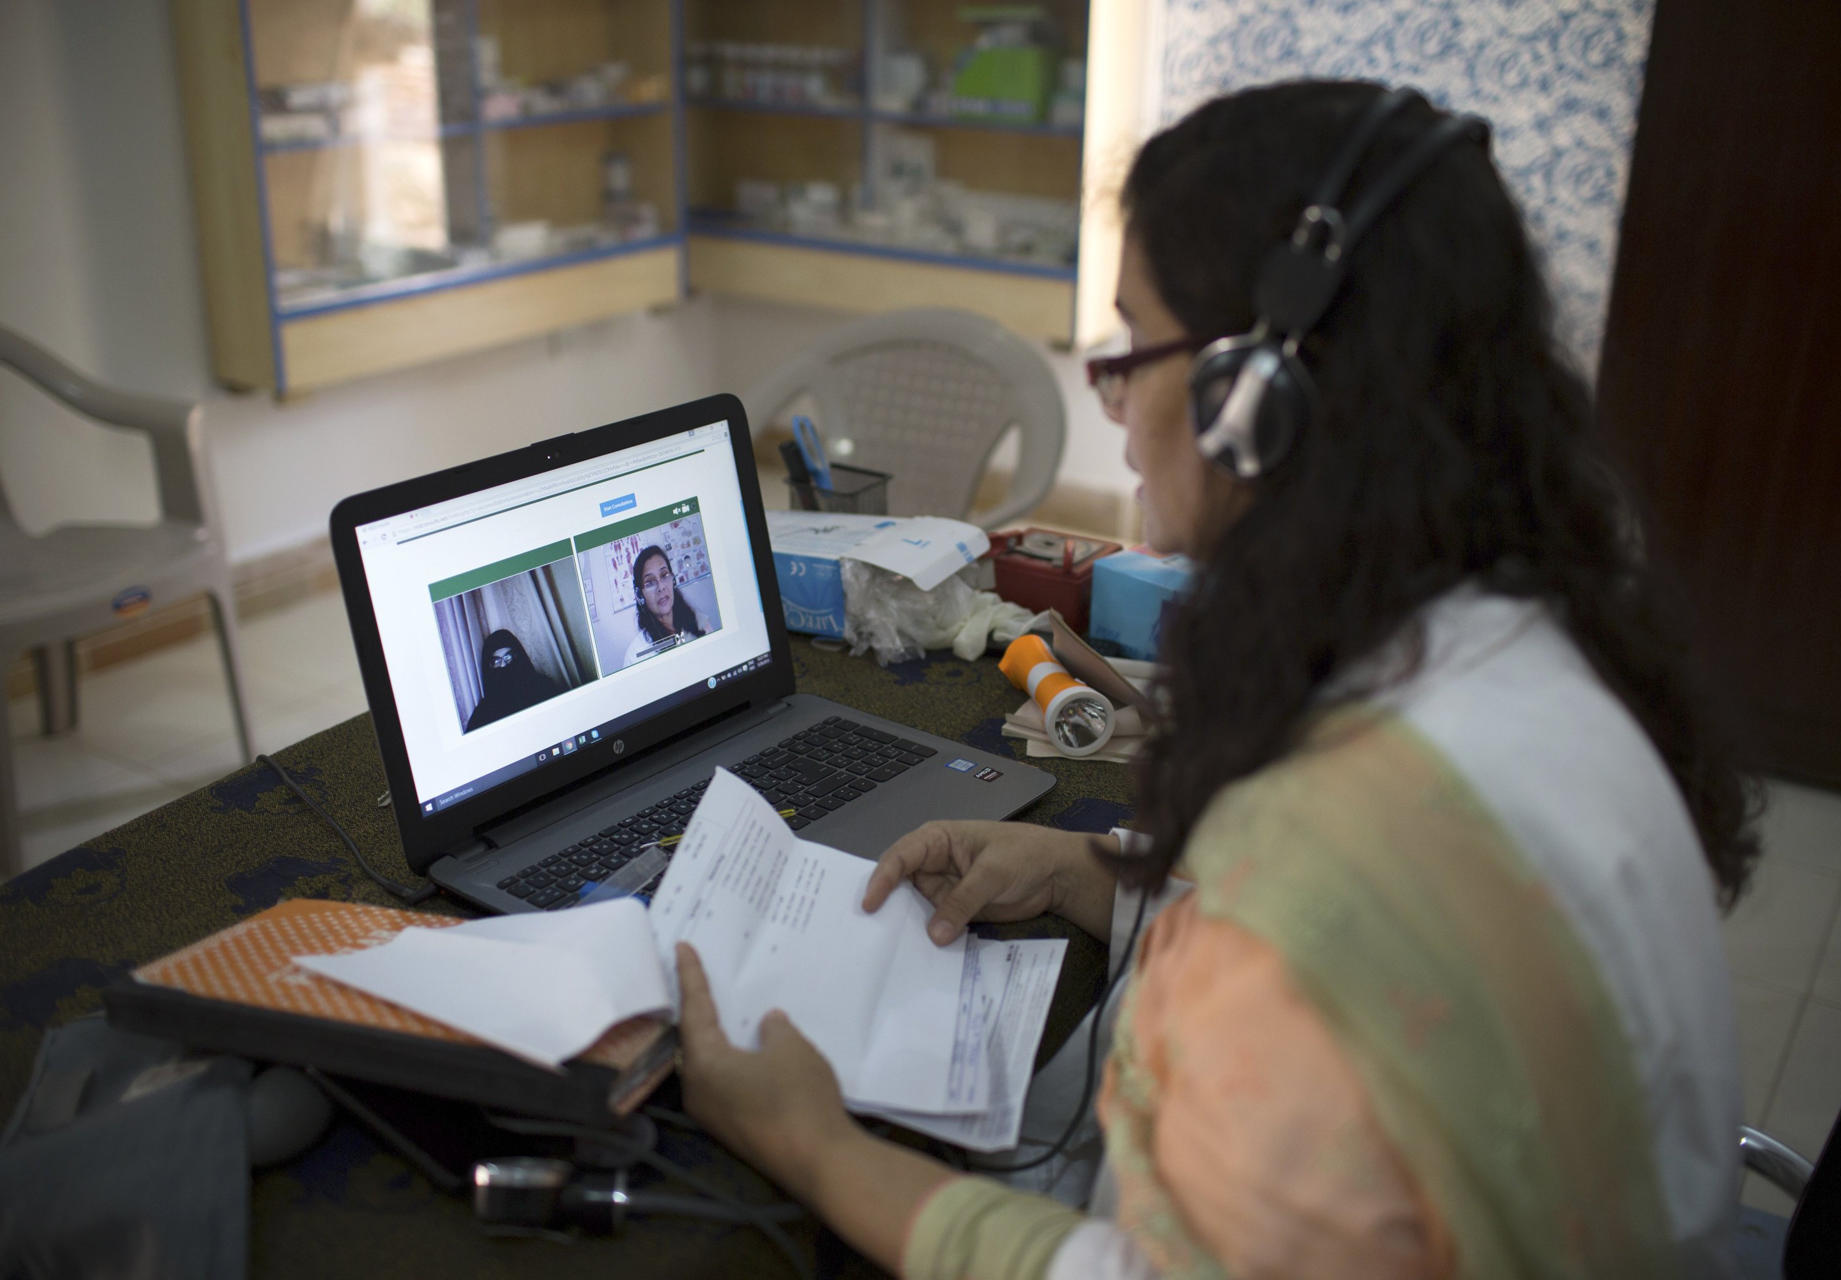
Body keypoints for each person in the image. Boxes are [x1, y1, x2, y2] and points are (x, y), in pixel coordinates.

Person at [674, 80, 1758, 1278]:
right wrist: (1101, 877)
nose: (1121, 407)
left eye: (1134, 347)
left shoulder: (1337, 852)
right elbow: (1377, 993)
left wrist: (814, 1146)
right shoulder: (1515, 638)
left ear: (1257, 402)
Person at [622, 544, 711, 666]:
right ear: (640, 594)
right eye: (650, 582)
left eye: (664, 575)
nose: (661, 587)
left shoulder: (697, 620)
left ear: (673, 580)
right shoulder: (636, 653)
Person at [462, 628, 563, 731]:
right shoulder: (485, 711)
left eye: (508, 657)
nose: (504, 665)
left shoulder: (543, 686)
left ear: (519, 657)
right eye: (496, 662)